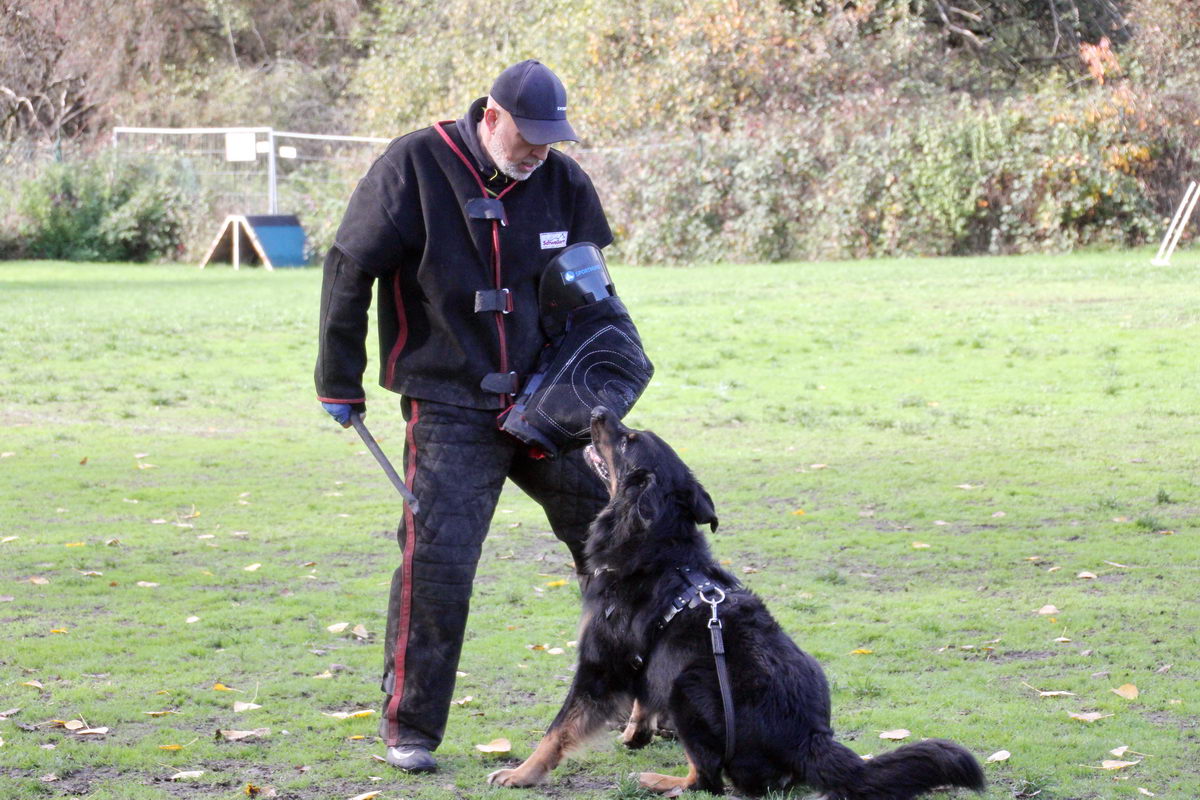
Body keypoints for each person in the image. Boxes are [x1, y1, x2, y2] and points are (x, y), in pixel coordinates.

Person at [315, 60, 614, 773]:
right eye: (528, 136)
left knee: (620, 540)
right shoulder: (415, 164)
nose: (539, 151)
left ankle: (648, 698)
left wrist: (599, 383)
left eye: (551, 138)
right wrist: (337, 377)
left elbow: (595, 291)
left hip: (549, 401)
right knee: (438, 564)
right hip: (449, 403)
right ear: (491, 117)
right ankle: (410, 729)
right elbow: (349, 266)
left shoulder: (564, 182)